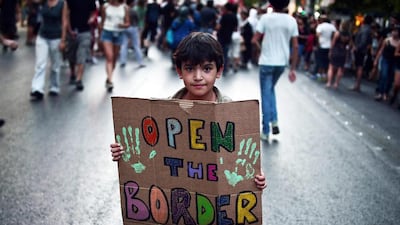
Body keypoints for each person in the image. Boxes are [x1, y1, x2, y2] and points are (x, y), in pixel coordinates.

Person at [110, 32, 267, 190]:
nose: (198, 77)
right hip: (179, 201)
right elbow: (150, 158)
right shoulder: (163, 113)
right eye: (190, 69)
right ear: (179, 71)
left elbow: (244, 158)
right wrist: (123, 153)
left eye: (207, 69)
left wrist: (255, 176)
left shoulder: (230, 113)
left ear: (219, 71)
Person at [251, 0, 298, 141]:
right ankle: (274, 120)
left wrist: (261, 50)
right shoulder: (291, 20)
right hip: (281, 63)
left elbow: (254, 40)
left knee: (266, 94)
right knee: (270, 90)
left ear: (271, 4)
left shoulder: (265, 18)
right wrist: (293, 68)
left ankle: (266, 130)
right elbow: (295, 46)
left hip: (266, 62)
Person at [30, 0, 64, 101]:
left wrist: (63, 39)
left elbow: (64, 21)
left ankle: (54, 87)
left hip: (56, 37)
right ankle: (37, 89)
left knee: (55, 65)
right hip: (42, 36)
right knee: (40, 64)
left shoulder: (62, 3)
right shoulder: (43, 2)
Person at [60, 0, 97, 91]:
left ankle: (79, 78)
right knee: (71, 54)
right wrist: (69, 29)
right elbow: (66, 15)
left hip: (85, 31)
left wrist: (91, 18)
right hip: (72, 30)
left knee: (82, 54)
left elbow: (94, 12)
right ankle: (73, 72)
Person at [100, 0, 129, 92]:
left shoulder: (124, 7)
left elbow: (128, 23)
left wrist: (123, 25)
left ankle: (109, 77)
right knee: (110, 56)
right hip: (107, 32)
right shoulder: (105, 6)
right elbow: (102, 22)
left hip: (119, 33)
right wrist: (99, 38)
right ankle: (110, 81)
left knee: (114, 59)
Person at [373, 26, 400, 101]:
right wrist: (376, 60)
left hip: (394, 61)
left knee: (390, 78)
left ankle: (386, 92)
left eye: (396, 31)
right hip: (385, 59)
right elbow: (381, 50)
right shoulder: (387, 40)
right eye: (393, 31)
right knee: (384, 75)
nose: (394, 32)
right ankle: (380, 92)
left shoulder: (399, 42)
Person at [119, 0, 145, 69]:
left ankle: (122, 61)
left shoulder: (123, 10)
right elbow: (137, 19)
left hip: (125, 28)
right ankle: (140, 62)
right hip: (133, 27)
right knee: (136, 45)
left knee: (124, 45)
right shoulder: (133, 11)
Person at [326, 21, 351, 89]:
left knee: (331, 67)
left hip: (336, 51)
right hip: (343, 52)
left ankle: (329, 82)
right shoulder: (348, 35)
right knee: (340, 68)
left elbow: (333, 43)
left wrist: (330, 51)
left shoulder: (337, 33)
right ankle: (336, 83)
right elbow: (349, 45)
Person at [351, 15, 373, 92]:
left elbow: (363, 41)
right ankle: (357, 85)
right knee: (359, 67)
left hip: (360, 50)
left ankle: (357, 85)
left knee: (359, 67)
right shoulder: (368, 29)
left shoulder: (365, 29)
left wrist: (357, 47)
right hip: (362, 50)